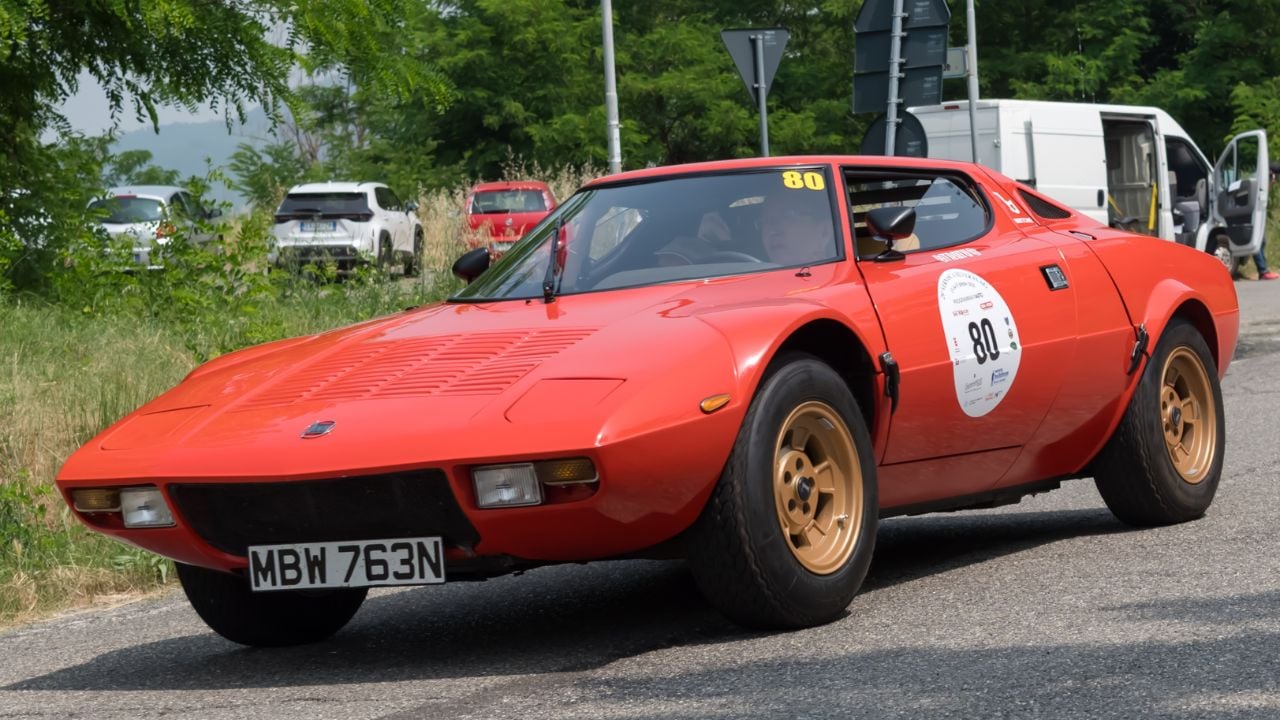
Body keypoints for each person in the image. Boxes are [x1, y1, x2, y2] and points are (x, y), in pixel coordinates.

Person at [1253, 163, 1280, 280]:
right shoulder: (1264, 177)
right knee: (1259, 241)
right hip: (1256, 213)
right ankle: (1263, 271)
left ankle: (1263, 270)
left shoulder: (1261, 174)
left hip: (1258, 213)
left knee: (1261, 241)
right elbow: (1264, 191)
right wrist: (1271, 181)